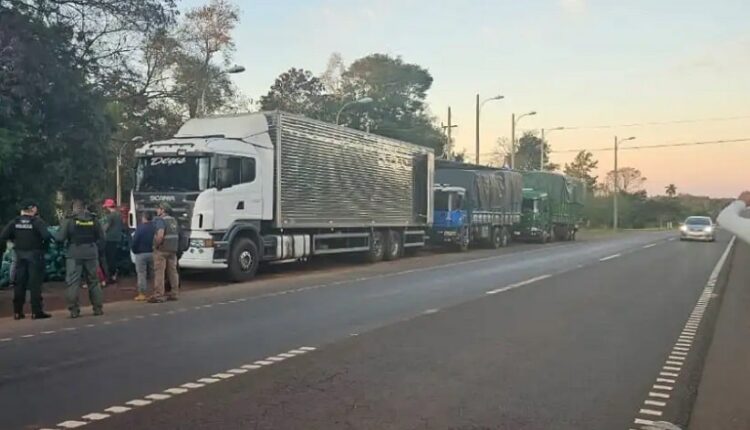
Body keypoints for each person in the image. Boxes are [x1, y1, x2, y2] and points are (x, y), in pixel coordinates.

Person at [0, 201, 53, 320]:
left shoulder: (15, 222)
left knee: (20, 284)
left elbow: (3, 236)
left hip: (20, 255)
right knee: (35, 284)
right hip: (35, 255)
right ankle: (36, 312)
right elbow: (47, 236)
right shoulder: (37, 222)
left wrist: (15, 242)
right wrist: (43, 248)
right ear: (33, 209)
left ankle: (17, 312)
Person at [56, 200, 105, 318]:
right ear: (85, 207)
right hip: (91, 253)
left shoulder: (69, 220)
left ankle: (74, 310)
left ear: (74, 208)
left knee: (73, 282)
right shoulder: (94, 219)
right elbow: (102, 237)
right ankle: (97, 308)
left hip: (74, 254)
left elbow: (60, 237)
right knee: (94, 282)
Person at [150, 203, 180, 303]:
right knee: (173, 272)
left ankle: (159, 295)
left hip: (162, 250)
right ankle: (174, 293)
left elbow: (160, 235)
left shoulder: (160, 220)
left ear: (163, 210)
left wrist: (156, 245)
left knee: (159, 272)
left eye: (158, 208)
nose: (157, 210)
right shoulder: (174, 220)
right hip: (173, 249)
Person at [131, 212, 155, 301]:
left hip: (141, 254)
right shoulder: (155, 228)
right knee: (154, 273)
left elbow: (135, 241)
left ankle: (142, 294)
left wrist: (134, 250)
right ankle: (155, 291)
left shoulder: (140, 228)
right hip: (153, 253)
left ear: (144, 218)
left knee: (141, 274)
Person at [101, 198, 123, 284]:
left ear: (108, 207)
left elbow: (105, 227)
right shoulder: (119, 215)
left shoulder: (110, 216)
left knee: (108, 258)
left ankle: (110, 275)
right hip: (117, 238)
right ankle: (113, 275)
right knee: (113, 257)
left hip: (109, 239)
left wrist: (99, 231)